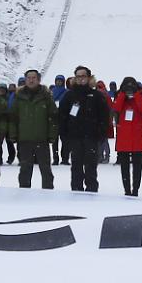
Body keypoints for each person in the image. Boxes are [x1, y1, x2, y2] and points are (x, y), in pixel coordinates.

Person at [60, 65, 112, 193]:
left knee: (91, 167)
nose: (80, 79)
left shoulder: (96, 96)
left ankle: (91, 191)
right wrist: (64, 134)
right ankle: (76, 191)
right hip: (75, 137)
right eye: (78, 77)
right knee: (76, 166)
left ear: (89, 78)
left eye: (83, 76)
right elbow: (62, 116)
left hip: (92, 137)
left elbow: (104, 116)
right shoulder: (69, 96)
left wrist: (101, 132)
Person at [8, 69, 58, 190]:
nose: (31, 80)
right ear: (25, 80)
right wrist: (13, 134)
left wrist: (52, 135)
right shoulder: (18, 97)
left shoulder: (46, 96)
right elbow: (13, 118)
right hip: (24, 139)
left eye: (33, 78)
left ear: (39, 80)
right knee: (25, 169)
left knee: (46, 169)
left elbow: (53, 117)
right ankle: (24, 192)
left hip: (42, 139)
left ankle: (47, 192)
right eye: (28, 78)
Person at [112, 76, 142, 197]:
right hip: (124, 135)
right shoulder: (120, 96)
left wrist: (137, 94)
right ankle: (127, 189)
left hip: (138, 135)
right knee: (124, 166)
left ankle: (135, 190)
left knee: (137, 166)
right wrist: (123, 94)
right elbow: (116, 108)